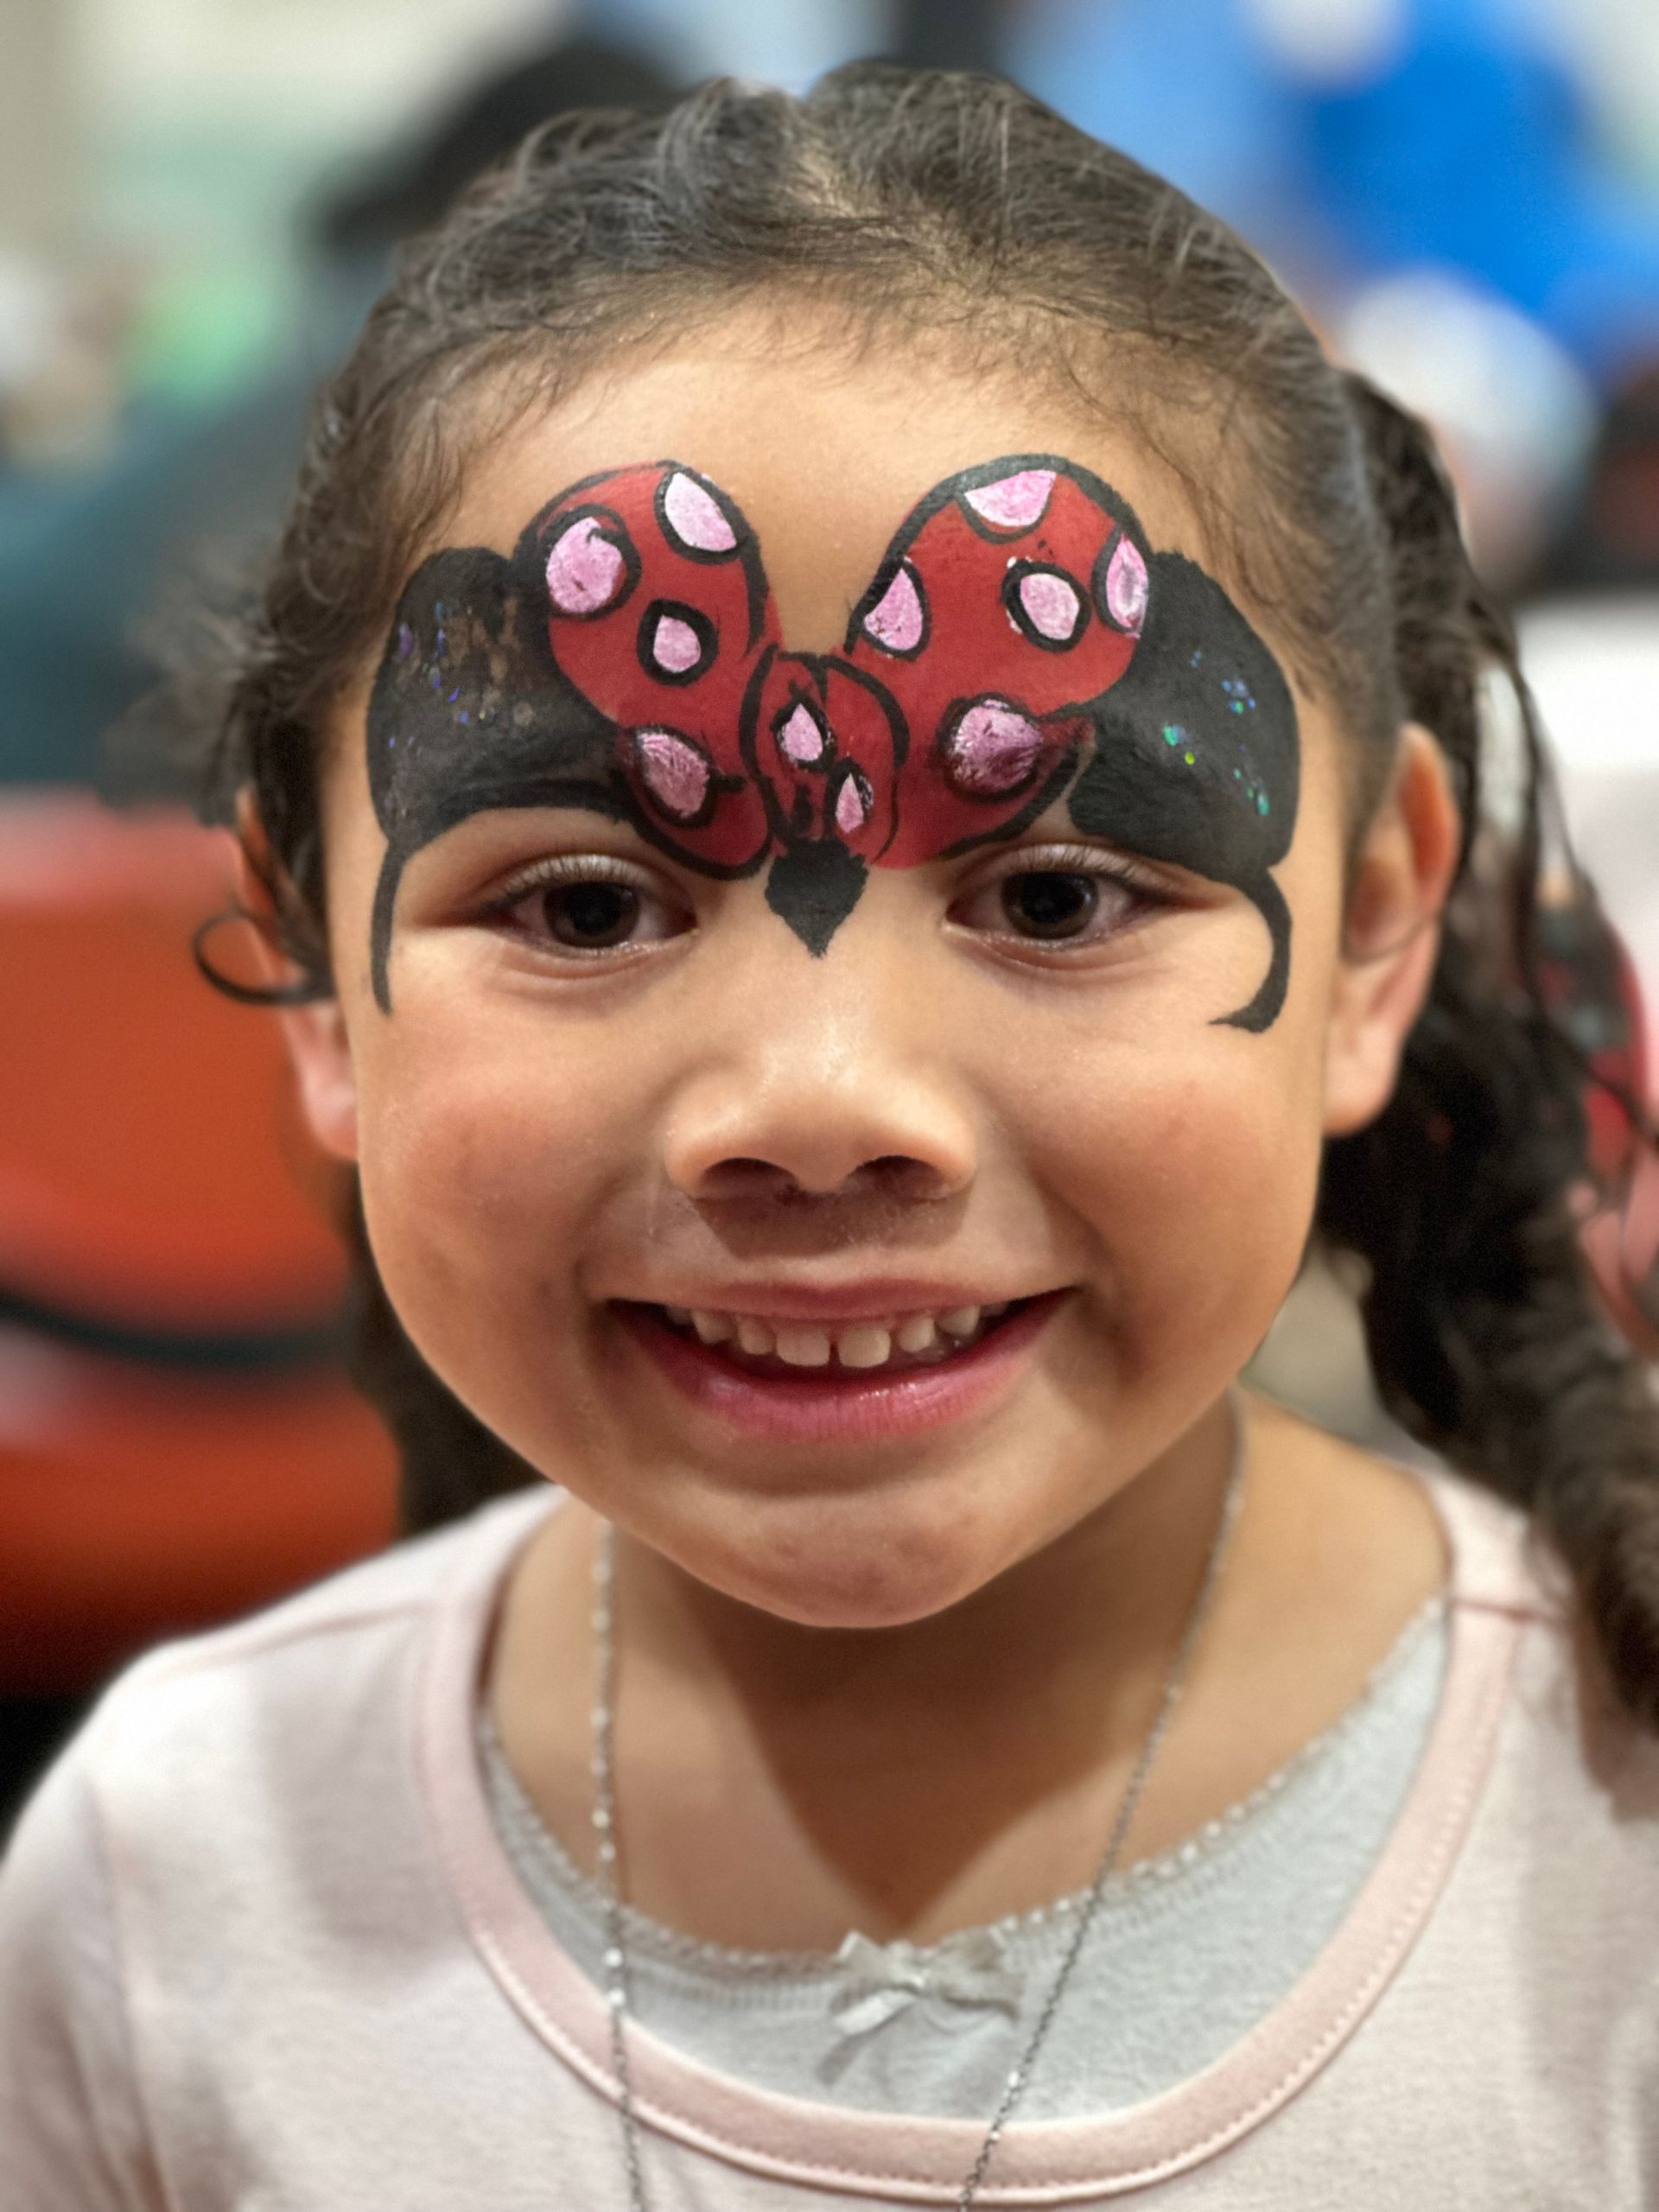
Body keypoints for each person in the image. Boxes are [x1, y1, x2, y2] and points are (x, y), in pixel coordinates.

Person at [1, 64, 1656, 2208]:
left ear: (1369, 930)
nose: (817, 1105)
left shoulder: (1608, 1853)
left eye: (1058, 894)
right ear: (319, 965)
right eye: (585, 905)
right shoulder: (171, 1886)